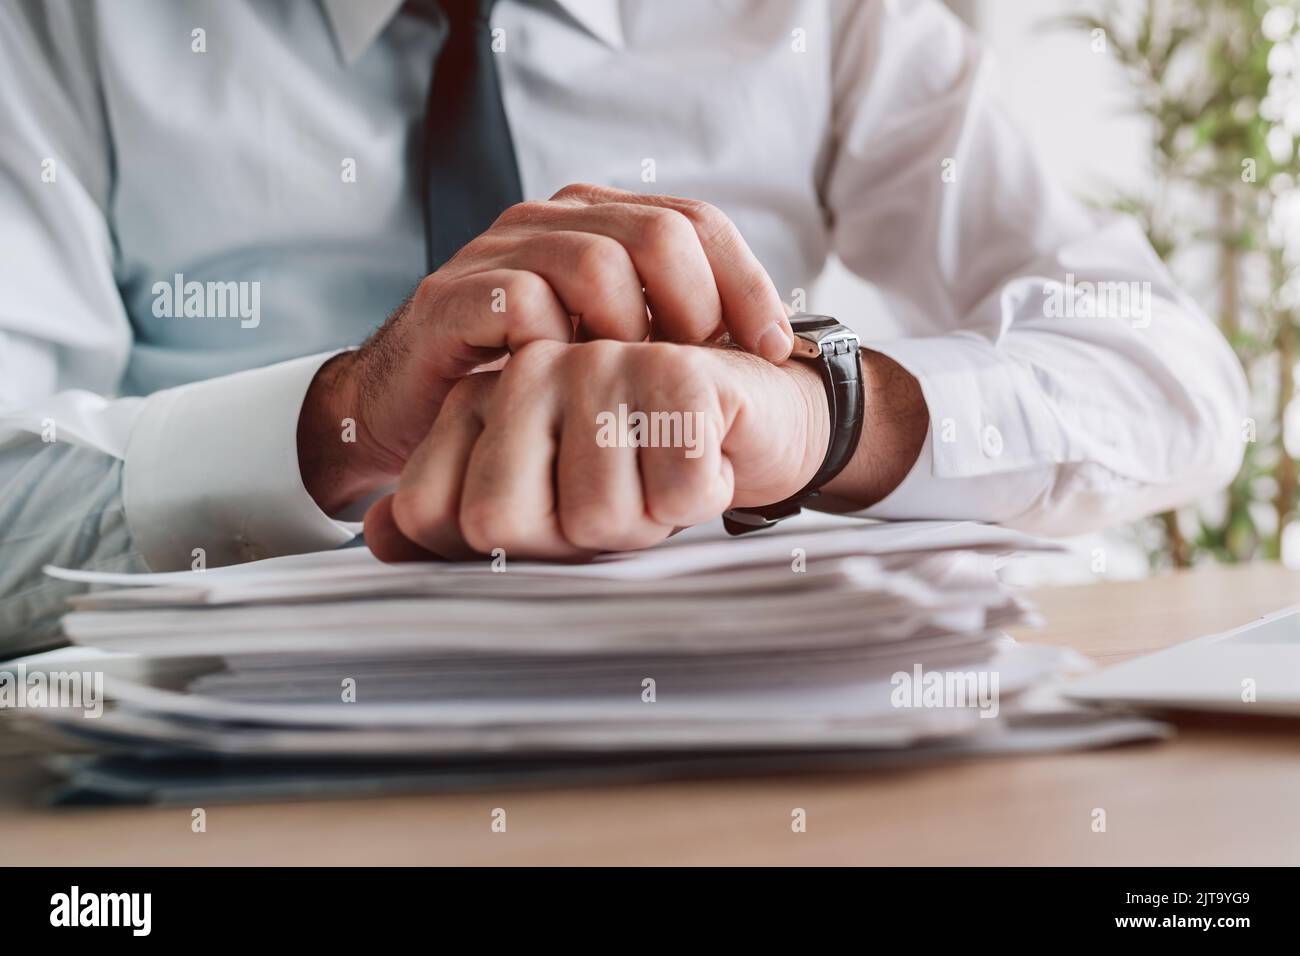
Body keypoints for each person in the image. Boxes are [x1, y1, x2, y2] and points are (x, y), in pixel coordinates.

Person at [0, 0, 1248, 648]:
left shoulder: (825, 20)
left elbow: (1172, 374)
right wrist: (338, 423)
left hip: (744, 766)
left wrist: (821, 413)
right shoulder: (65, 28)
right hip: (209, 783)